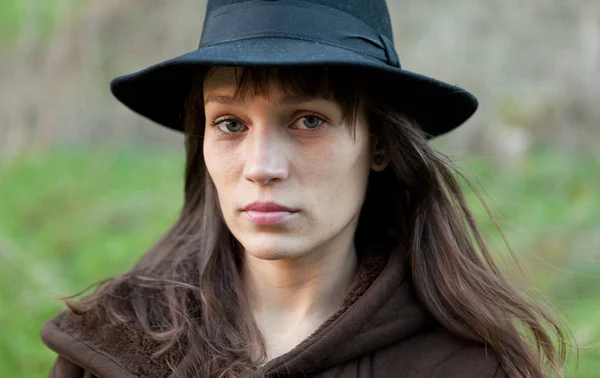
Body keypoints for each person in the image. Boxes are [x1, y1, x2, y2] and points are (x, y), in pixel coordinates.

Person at [40, 0, 570, 377]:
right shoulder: (110, 342)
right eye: (230, 124)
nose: (262, 167)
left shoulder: (461, 367)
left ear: (379, 145)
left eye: (309, 120)